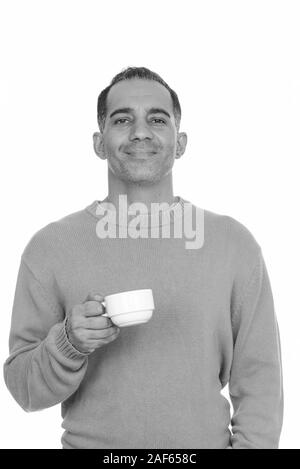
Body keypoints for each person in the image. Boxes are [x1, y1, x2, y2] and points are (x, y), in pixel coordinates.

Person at [3, 66, 284, 449]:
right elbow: (24, 390)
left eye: (157, 118)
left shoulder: (234, 245)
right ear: (99, 143)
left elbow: (261, 382)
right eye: (122, 119)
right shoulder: (50, 248)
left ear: (180, 142)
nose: (140, 131)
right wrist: (69, 342)